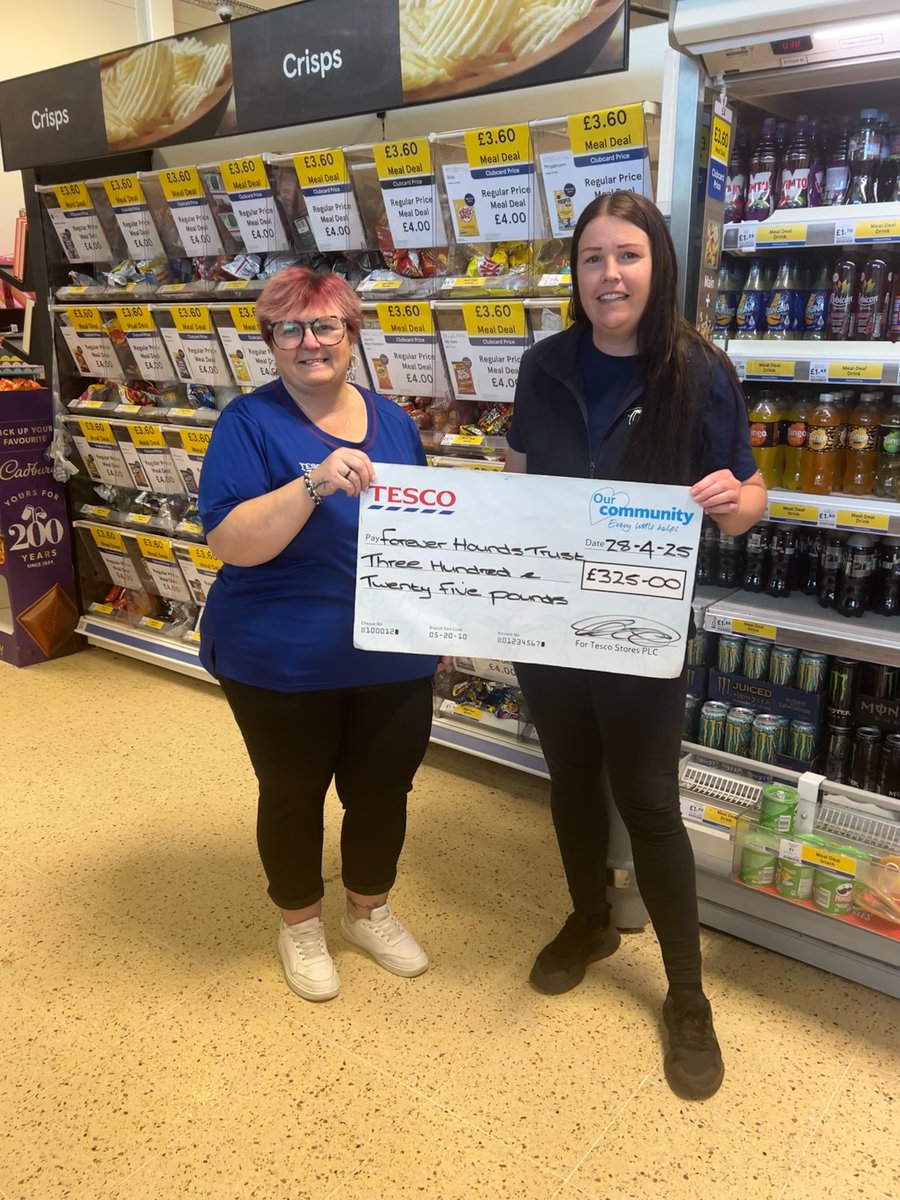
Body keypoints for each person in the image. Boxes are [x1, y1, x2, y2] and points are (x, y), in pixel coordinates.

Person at [505, 191, 766, 1100]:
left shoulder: (701, 371)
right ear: (574, 275)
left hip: (639, 621)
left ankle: (687, 996)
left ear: (657, 265)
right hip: (546, 619)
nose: (608, 275)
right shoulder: (542, 366)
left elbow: (751, 491)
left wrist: (738, 505)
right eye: (590, 259)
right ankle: (589, 920)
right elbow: (519, 472)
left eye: (627, 255)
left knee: (650, 801)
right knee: (571, 777)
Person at [198, 266, 437, 1003]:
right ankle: (300, 923)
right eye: (290, 329)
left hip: (392, 652)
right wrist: (313, 482)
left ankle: (368, 908)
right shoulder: (248, 422)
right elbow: (231, 542)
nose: (310, 343)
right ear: (270, 340)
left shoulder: (394, 423)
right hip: (280, 655)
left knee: (383, 790)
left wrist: (443, 616)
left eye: (326, 326)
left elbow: (426, 530)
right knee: (294, 792)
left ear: (351, 334)